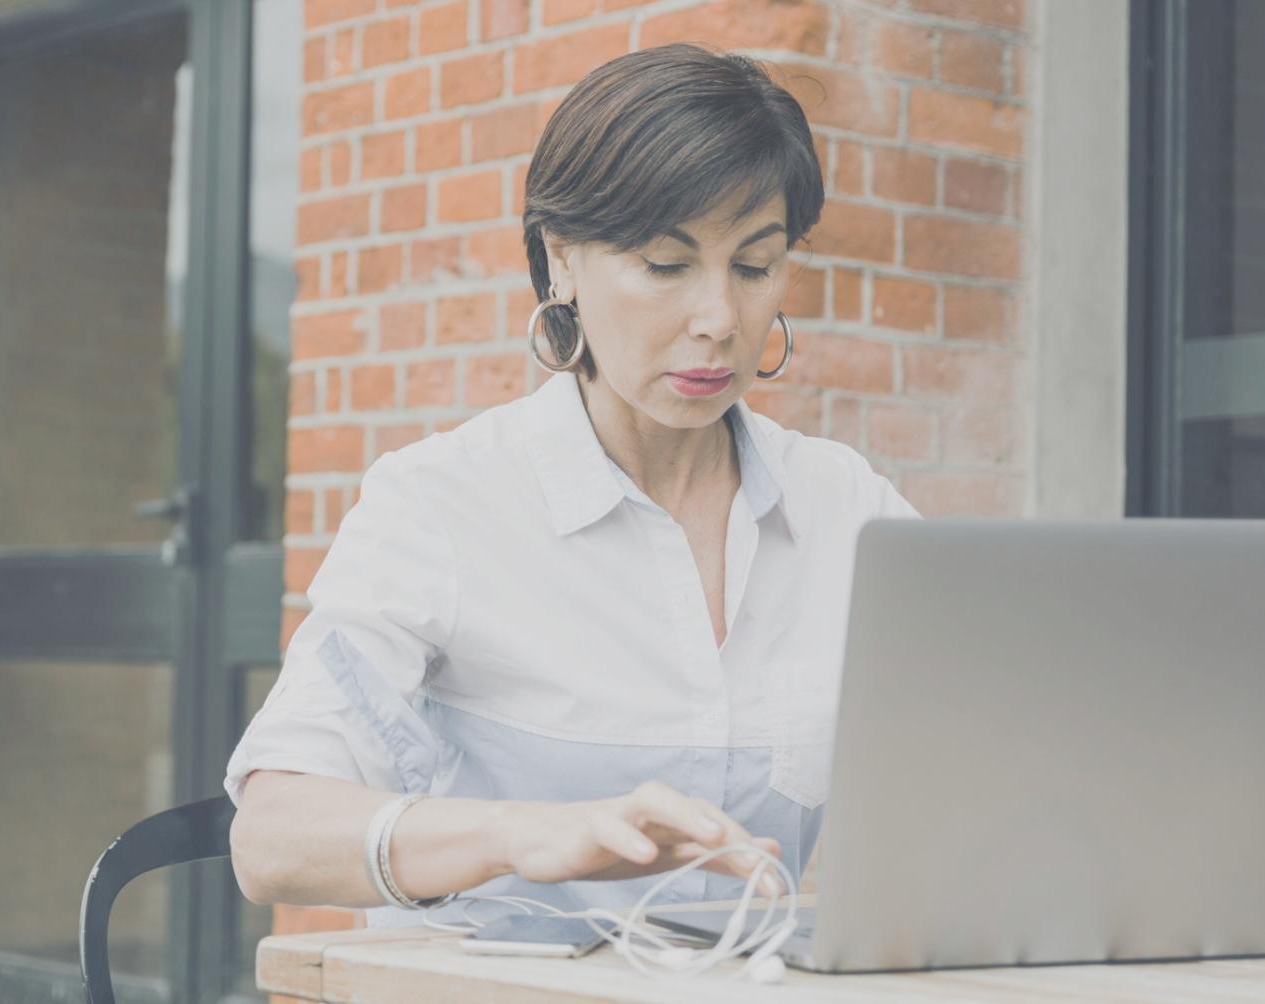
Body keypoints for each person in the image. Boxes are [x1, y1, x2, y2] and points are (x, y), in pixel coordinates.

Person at [226, 41, 920, 927]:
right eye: (665, 266)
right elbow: (271, 839)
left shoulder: (847, 508)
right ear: (560, 260)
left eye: (754, 267)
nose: (719, 320)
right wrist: (521, 834)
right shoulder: (441, 503)